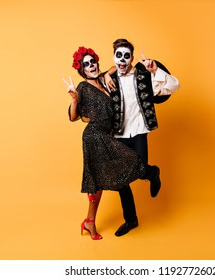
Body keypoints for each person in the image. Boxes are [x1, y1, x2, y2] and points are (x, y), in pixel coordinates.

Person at [63, 46, 145, 240]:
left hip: (106, 135)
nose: (91, 66)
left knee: (97, 182)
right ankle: (150, 173)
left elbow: (119, 65)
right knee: (106, 175)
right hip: (93, 136)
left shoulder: (102, 79)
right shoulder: (83, 87)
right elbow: (72, 117)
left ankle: (89, 221)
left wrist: (109, 74)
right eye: (86, 65)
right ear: (81, 70)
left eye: (93, 62)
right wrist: (74, 99)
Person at [104, 39, 180, 236]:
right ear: (113, 56)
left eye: (126, 55)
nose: (122, 60)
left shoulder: (143, 77)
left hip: (138, 130)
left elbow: (174, 86)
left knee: (138, 170)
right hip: (118, 134)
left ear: (131, 57)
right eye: (118, 55)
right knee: (121, 180)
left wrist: (155, 71)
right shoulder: (108, 80)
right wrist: (106, 76)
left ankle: (152, 173)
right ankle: (131, 220)